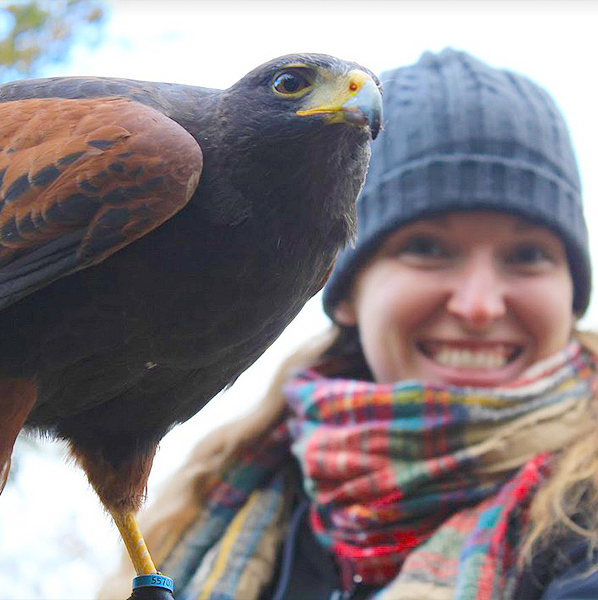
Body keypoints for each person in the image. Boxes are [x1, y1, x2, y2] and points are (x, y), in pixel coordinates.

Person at [99, 48, 598, 600]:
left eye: (528, 256)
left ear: (573, 292)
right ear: (344, 288)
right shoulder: (194, 510)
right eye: (427, 248)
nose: (478, 306)